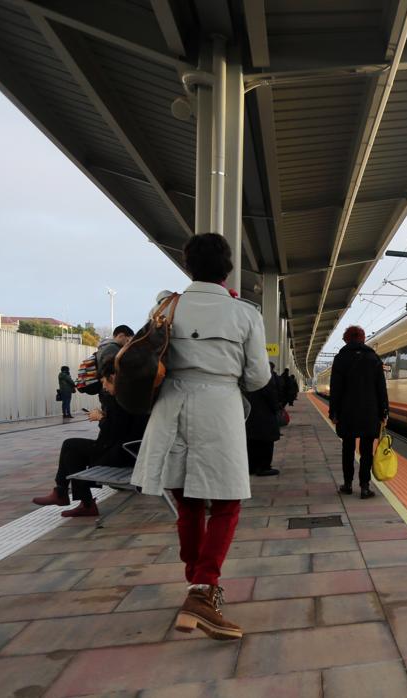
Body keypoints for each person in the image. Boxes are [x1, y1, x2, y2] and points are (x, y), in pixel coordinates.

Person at [131, 232, 270, 642]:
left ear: (187, 265)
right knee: (226, 503)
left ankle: (197, 584)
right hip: (219, 407)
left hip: (171, 404)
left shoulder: (166, 306)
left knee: (187, 500)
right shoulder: (245, 314)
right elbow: (258, 376)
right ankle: (204, 588)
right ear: (227, 269)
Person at [33, 362, 148, 516]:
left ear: (113, 377)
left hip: (123, 455)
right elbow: (124, 425)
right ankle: (69, 496)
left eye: (104, 382)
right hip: (129, 451)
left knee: (71, 447)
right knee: (72, 449)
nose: (105, 387)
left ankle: (70, 496)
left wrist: (101, 418)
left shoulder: (122, 400)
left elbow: (115, 430)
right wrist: (105, 415)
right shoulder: (134, 396)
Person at [328, 325, 388, 499]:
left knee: (347, 449)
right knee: (366, 450)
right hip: (370, 412)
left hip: (347, 412)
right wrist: (384, 410)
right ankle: (364, 487)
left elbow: (336, 388)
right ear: (362, 338)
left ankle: (347, 485)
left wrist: (334, 412)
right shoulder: (373, 358)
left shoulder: (340, 358)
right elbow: (381, 388)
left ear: (346, 339)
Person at [245, 377, 281, 478]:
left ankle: (251, 467)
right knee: (266, 440)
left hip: (250, 411)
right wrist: (276, 408)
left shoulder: (248, 375)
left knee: (252, 440)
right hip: (264, 413)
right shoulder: (264, 376)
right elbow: (271, 395)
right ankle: (264, 467)